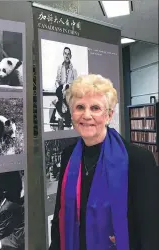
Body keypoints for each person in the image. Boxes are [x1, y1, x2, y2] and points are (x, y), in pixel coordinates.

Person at [49, 74, 159, 250]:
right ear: (72, 114)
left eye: (95, 108)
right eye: (80, 107)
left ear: (109, 115)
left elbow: (151, 229)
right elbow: (59, 216)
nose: (86, 115)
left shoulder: (138, 160)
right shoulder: (68, 155)